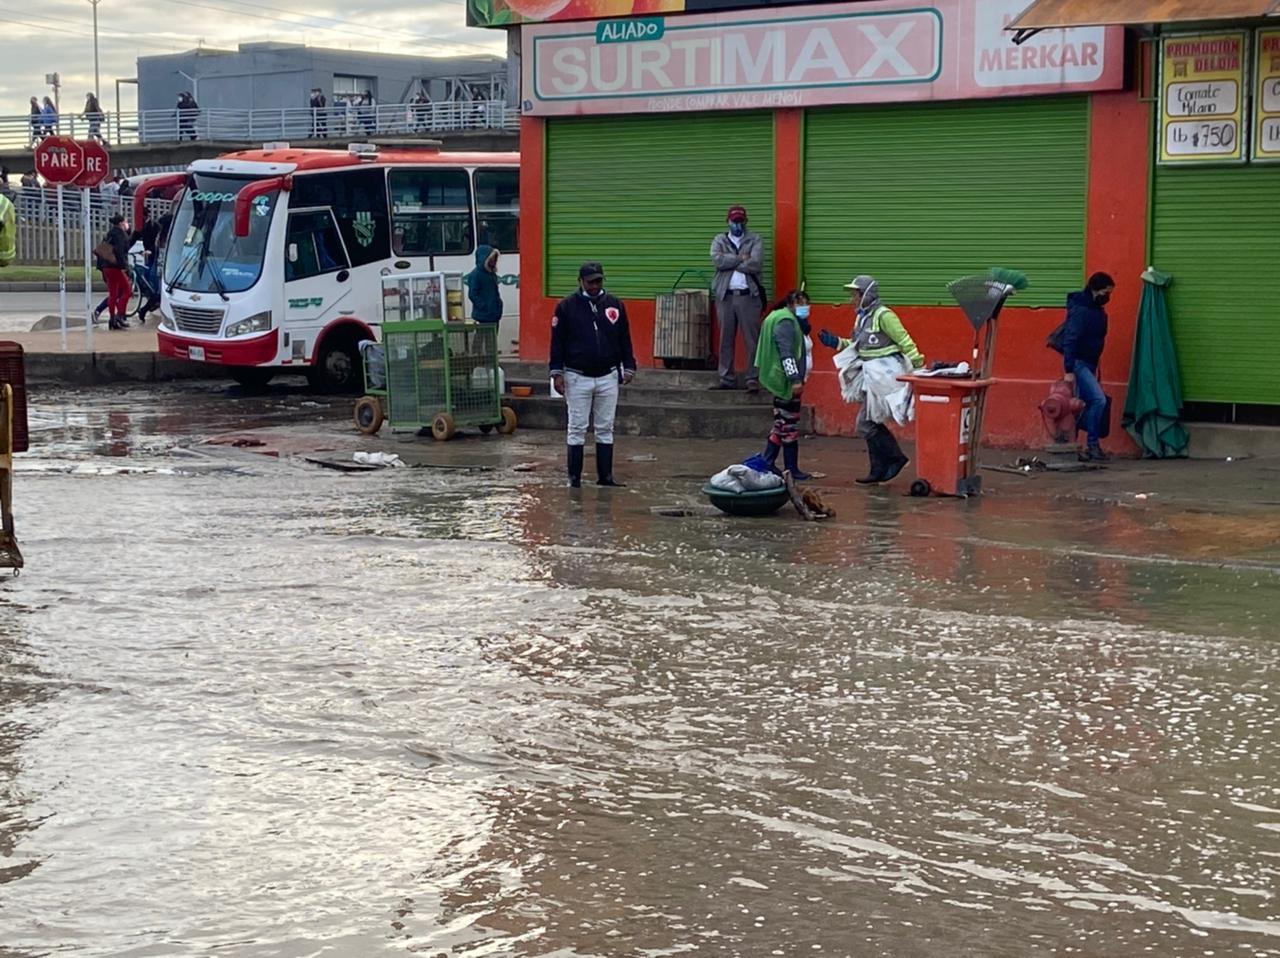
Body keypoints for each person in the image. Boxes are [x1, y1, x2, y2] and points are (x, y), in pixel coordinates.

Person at [818, 275, 923, 485]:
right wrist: (836, 342)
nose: (852, 299)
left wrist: (918, 367)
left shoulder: (884, 315)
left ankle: (895, 458)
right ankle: (878, 469)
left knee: (864, 423)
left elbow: (904, 340)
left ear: (867, 294)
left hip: (885, 375)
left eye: (855, 294)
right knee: (870, 421)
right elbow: (857, 345)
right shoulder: (862, 318)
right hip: (870, 376)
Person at [549, 262, 636, 488]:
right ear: (581, 281)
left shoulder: (615, 305)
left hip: (608, 376)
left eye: (598, 281)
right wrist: (556, 372)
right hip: (577, 376)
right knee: (577, 428)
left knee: (606, 427)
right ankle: (574, 478)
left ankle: (605, 476)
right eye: (591, 282)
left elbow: (624, 338)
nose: (595, 286)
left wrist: (629, 365)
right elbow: (557, 343)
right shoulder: (566, 307)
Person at [755, 289, 813, 481]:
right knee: (789, 425)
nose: (806, 307)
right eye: (802, 303)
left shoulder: (779, 316)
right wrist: (795, 379)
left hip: (777, 378)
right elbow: (786, 353)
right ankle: (791, 469)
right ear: (793, 302)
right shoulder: (786, 321)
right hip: (784, 381)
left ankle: (768, 461)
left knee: (781, 424)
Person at [1060, 271, 1116, 462]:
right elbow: (1070, 339)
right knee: (1098, 400)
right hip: (1079, 364)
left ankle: (1071, 446)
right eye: (1107, 292)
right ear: (1096, 290)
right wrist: (1068, 370)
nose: (1108, 296)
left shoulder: (1096, 311)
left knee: (1080, 406)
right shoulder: (1081, 311)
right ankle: (1091, 445)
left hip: (1089, 363)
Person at [710, 204, 766, 392]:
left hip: (748, 296)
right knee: (725, 338)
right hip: (725, 296)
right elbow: (717, 260)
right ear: (728, 221)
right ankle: (726, 378)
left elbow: (755, 264)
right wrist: (741, 258)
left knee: (752, 339)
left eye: (741, 221)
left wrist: (730, 261)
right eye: (734, 221)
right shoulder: (720, 239)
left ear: (746, 222)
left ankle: (752, 377)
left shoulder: (755, 239)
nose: (737, 225)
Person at [97, 213, 133, 331]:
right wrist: (124, 266)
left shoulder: (110, 234)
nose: (127, 224)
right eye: (126, 222)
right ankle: (120, 316)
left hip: (106, 267)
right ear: (121, 223)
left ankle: (112, 319)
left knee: (113, 294)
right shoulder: (120, 235)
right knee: (127, 291)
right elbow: (120, 252)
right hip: (116, 267)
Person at [466, 245, 502, 326]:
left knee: (492, 337)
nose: (494, 261)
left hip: (494, 315)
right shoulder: (475, 275)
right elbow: (473, 294)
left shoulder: (492, 274)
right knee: (481, 337)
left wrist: (498, 305)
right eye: (492, 258)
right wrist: (484, 306)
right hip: (483, 316)